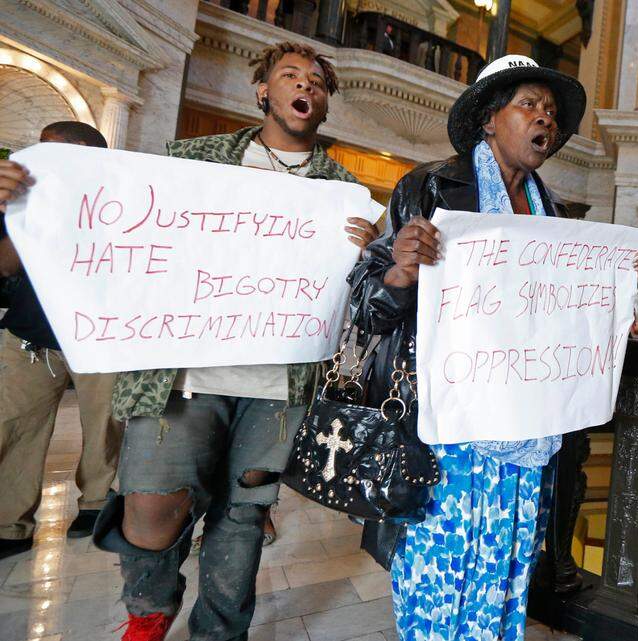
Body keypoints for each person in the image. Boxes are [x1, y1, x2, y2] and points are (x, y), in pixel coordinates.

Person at [0, 42, 381, 641]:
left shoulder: (345, 193)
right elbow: (113, 221)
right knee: (150, 507)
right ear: (263, 93)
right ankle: (150, 608)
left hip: (277, 388)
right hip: (182, 375)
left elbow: (359, 300)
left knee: (244, 516)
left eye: (316, 81)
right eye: (289, 75)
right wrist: (32, 200)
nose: (304, 86)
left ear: (324, 102)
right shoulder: (194, 161)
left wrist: (366, 254)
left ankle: (221, 631)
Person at [348, 54, 638, 640]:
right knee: (439, 569)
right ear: (490, 120)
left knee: (505, 569)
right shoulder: (430, 187)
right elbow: (367, 304)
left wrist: (624, 277)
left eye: (551, 112)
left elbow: (568, 317)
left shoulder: (555, 215)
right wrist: (401, 273)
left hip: (527, 430)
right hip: (446, 431)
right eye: (529, 105)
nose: (546, 118)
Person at [0, 122, 123, 560]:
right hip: (30, 336)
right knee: (13, 426)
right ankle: (9, 523)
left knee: (104, 425)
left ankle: (95, 503)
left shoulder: (122, 203)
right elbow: (5, 267)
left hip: (97, 335)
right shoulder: (22, 200)